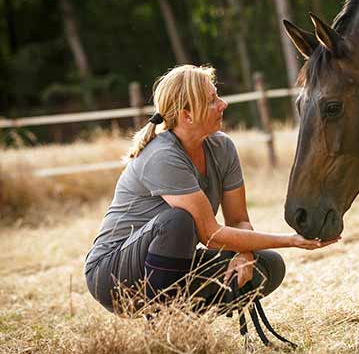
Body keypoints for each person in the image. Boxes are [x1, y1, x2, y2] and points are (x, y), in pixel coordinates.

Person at [84, 64, 338, 314]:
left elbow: (238, 220)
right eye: (212, 100)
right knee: (177, 221)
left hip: (169, 266)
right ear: (187, 115)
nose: (223, 104)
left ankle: (183, 322)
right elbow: (211, 236)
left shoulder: (222, 148)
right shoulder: (161, 155)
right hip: (111, 274)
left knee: (268, 266)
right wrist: (291, 241)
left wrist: (245, 253)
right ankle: (166, 329)